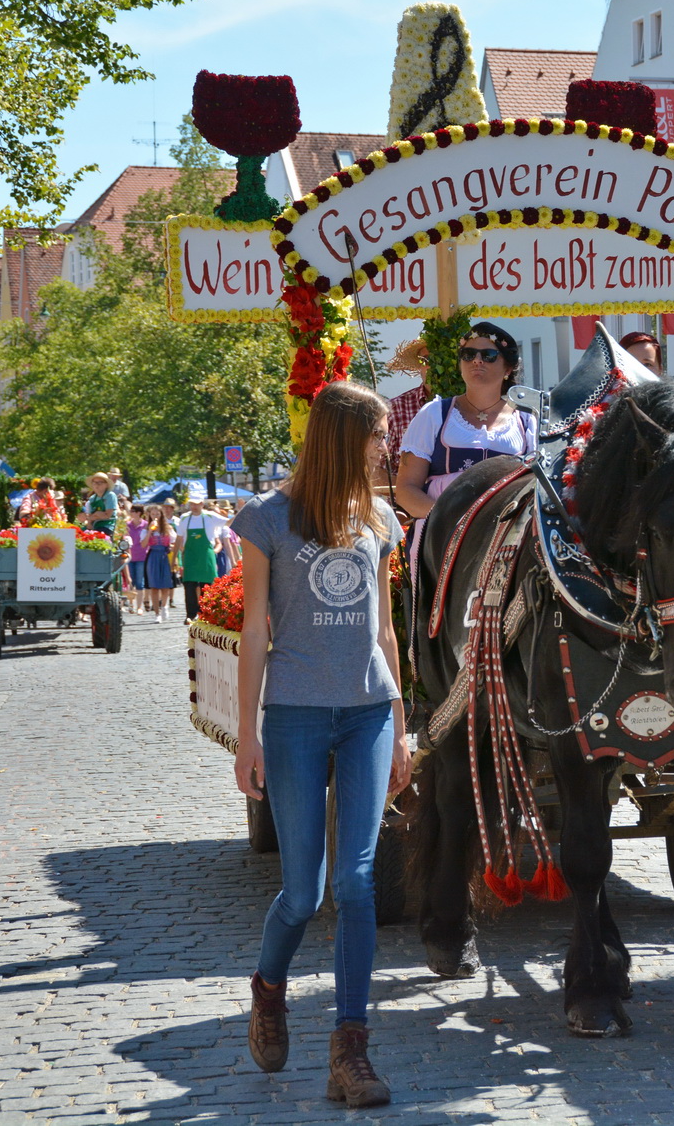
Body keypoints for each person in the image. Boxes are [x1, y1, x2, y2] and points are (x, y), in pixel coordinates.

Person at [232, 381, 407, 1108]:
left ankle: (351, 1049)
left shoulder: (380, 520)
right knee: (302, 892)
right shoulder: (269, 518)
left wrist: (401, 723)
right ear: (342, 437)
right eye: (374, 434)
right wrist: (248, 732)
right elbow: (252, 631)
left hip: (366, 711)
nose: (384, 447)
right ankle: (269, 989)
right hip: (297, 716)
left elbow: (386, 630)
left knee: (358, 882)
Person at [395, 322, 537, 526]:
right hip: (442, 531)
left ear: (508, 368)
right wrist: (451, 519)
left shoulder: (526, 420)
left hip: (504, 533)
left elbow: (536, 486)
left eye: (488, 355)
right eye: (469, 354)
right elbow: (407, 489)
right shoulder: (434, 414)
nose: (477, 361)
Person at [174, 498, 224, 623]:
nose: (194, 507)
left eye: (197, 504)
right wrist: (174, 558)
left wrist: (243, 511)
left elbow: (228, 522)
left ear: (202, 504)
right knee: (189, 585)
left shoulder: (210, 516)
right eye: (192, 504)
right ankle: (190, 615)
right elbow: (179, 538)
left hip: (206, 555)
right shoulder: (184, 518)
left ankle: (208, 614)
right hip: (190, 555)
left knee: (207, 586)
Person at [142, 505, 177, 622]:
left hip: (165, 556)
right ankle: (157, 613)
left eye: (157, 514)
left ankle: (164, 606)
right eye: (153, 514)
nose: (155, 517)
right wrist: (149, 531)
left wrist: (171, 548)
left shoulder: (168, 529)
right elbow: (143, 545)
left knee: (166, 585)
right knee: (154, 587)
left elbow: (174, 543)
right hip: (153, 556)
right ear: (149, 516)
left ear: (161, 515)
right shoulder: (146, 529)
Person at [123, 506, 149, 614]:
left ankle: (139, 606)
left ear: (139, 513)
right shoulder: (127, 525)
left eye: (133, 511)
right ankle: (131, 604)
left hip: (142, 556)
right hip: (129, 556)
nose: (130, 513)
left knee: (139, 582)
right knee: (130, 581)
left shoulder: (146, 525)